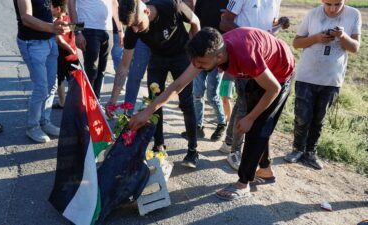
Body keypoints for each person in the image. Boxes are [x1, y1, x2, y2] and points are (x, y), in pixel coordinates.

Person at [129, 27, 295, 200]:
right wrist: (147, 112)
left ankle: (243, 183)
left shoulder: (245, 55)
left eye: (201, 63)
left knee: (257, 126)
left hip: (280, 75)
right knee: (256, 123)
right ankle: (266, 169)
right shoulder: (209, 52)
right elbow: (178, 85)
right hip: (260, 71)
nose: (197, 66)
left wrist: (250, 118)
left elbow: (273, 88)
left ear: (219, 57)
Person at [106, 0, 201, 168]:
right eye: (131, 27)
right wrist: (113, 100)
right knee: (154, 102)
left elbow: (195, 22)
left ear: (147, 12)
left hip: (181, 56)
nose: (135, 30)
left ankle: (192, 150)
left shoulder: (172, 6)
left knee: (186, 103)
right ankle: (159, 145)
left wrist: (196, 51)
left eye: (137, 25)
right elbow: (124, 67)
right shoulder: (133, 28)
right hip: (157, 59)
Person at [284, 0, 361, 170]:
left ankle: (310, 152)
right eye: (328, 4)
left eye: (337, 4)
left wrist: (342, 36)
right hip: (307, 75)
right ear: (321, 1)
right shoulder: (313, 14)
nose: (332, 9)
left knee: (319, 119)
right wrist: (317, 38)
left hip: (331, 78)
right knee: (302, 117)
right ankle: (297, 149)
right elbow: (296, 43)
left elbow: (355, 48)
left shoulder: (353, 14)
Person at [218, 0, 290, 171]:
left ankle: (229, 143)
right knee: (245, 105)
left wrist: (279, 24)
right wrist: (248, 41)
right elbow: (225, 21)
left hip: (263, 60)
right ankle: (235, 152)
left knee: (242, 103)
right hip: (245, 57)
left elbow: (269, 24)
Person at [14, 0, 70, 143]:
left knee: (52, 85)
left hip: (50, 41)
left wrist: (58, 21)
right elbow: (26, 18)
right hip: (32, 43)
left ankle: (44, 121)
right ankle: (33, 126)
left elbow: (45, 11)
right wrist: (52, 27)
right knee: (41, 87)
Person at [180, 0, 228, 141]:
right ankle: (198, 127)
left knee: (212, 94)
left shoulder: (228, 3)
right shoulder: (201, 1)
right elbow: (195, 23)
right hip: (200, 54)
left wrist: (222, 61)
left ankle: (221, 124)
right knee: (197, 93)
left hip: (217, 56)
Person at [68, 0, 121, 100]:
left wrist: (120, 30)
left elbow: (114, 4)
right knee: (91, 71)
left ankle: (95, 103)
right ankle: (87, 104)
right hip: (88, 28)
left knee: (101, 70)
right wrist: (77, 32)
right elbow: (70, 4)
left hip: (107, 30)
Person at [50, 0, 79, 110]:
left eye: (51, 7)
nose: (49, 9)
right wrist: (74, 51)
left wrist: (70, 49)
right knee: (73, 80)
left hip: (62, 57)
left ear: (58, 9)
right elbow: (80, 28)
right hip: (74, 57)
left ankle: (62, 102)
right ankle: (76, 101)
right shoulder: (71, 20)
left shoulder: (57, 22)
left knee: (60, 80)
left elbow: (59, 40)